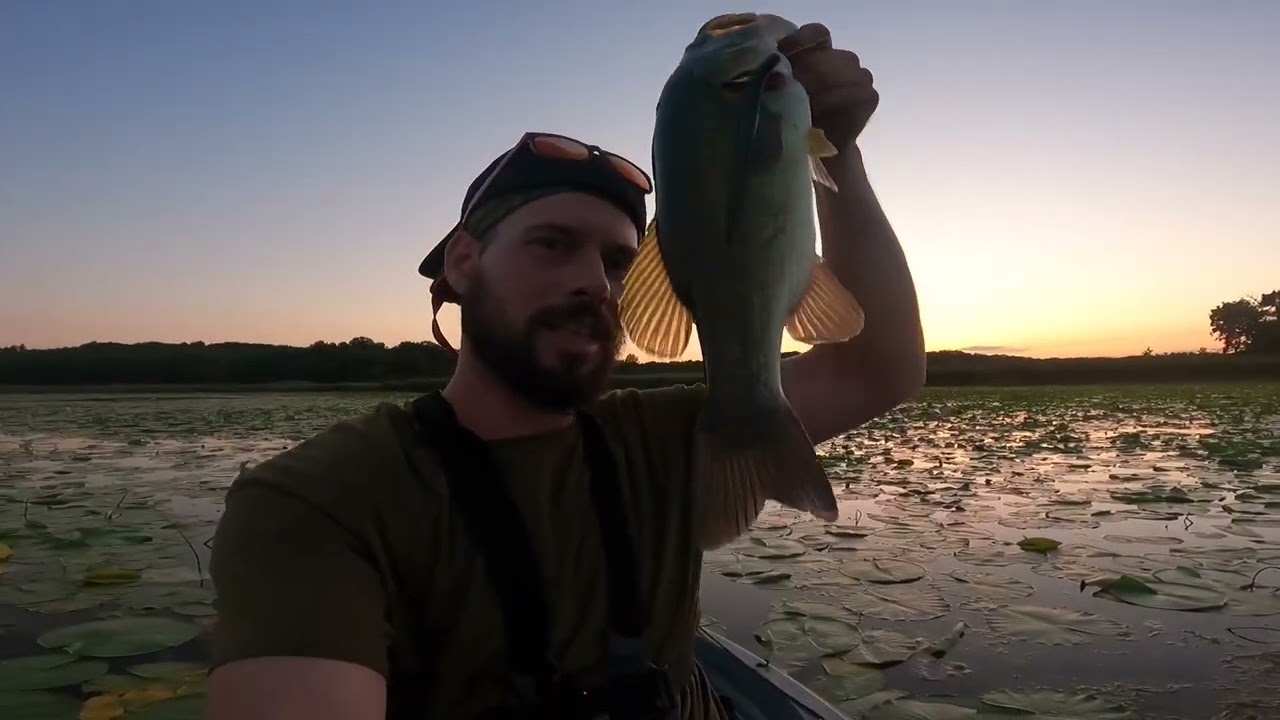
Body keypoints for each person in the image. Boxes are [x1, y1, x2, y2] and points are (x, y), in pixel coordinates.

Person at [205, 21, 924, 720]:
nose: (594, 282)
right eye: (552, 244)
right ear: (463, 263)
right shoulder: (318, 499)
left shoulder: (666, 437)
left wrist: (842, 156)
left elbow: (878, 367)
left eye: (618, 262)